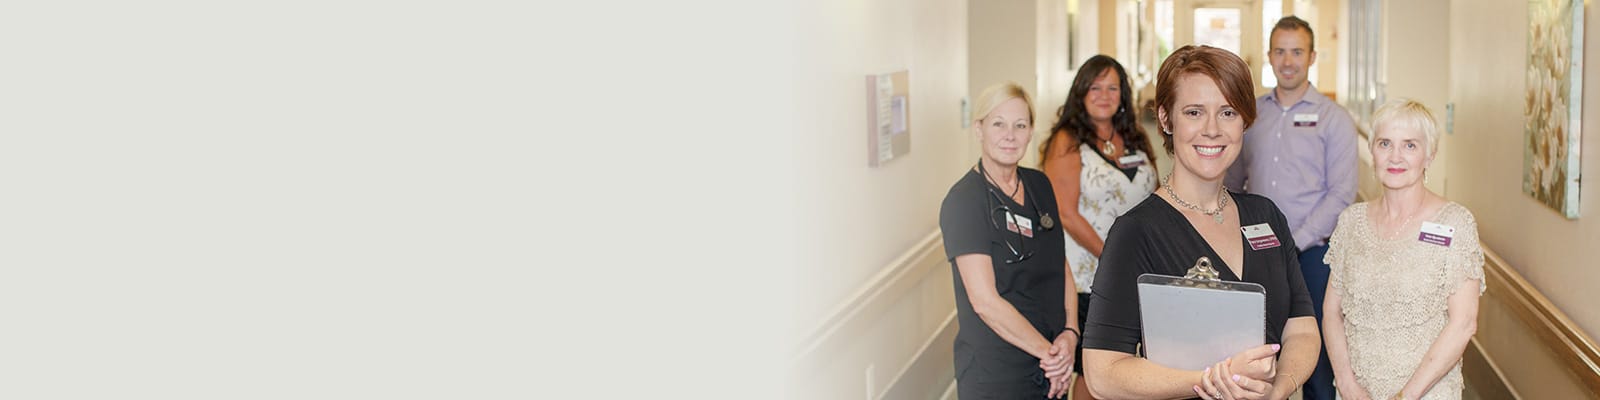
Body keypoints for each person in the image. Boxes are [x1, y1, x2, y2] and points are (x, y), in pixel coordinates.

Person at [1081, 45, 1319, 400]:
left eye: (1227, 112)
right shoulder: (1136, 232)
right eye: (1194, 112)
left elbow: (1301, 330)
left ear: (1244, 121)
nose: (1212, 130)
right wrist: (1211, 380)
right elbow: (1102, 374)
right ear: (1166, 119)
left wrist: (1278, 389)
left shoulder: (1266, 217)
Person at [1222, 16, 1357, 400]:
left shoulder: (1334, 120)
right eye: (1280, 51)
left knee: (1314, 358)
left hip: (1312, 255)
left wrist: (1293, 242)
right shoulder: (1251, 116)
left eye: (1297, 52)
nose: (1288, 60)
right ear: (1269, 56)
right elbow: (1232, 182)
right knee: (1252, 353)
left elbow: (1342, 194)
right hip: (1252, 249)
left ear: (1312, 57)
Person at [1321, 99, 1483, 400]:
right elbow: (1331, 312)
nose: (1395, 156)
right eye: (1385, 143)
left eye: (1410, 145)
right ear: (1372, 151)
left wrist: (1404, 397)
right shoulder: (1351, 222)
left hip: (1425, 392)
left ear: (1429, 155)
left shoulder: (1454, 223)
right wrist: (1346, 384)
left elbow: (1463, 323)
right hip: (1356, 393)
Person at [940, 82, 1081, 399]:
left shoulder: (1039, 185)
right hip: (997, 373)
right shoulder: (964, 201)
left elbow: (1061, 267)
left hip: (1050, 366)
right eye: (998, 124)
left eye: (1020, 125)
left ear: (1031, 132)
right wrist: (1050, 355)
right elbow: (984, 302)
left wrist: (1070, 333)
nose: (1010, 135)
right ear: (979, 129)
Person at [1038, 54, 1157, 376]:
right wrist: (1114, 259)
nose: (1104, 95)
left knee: (1131, 370)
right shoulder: (1067, 141)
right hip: (1090, 278)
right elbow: (1065, 212)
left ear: (1122, 95)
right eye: (1095, 87)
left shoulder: (1134, 136)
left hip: (1140, 272)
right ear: (1081, 92)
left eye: (1112, 88)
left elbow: (1156, 193)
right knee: (1096, 374)